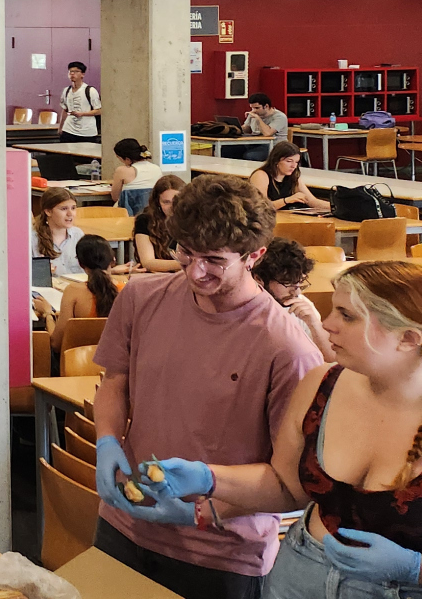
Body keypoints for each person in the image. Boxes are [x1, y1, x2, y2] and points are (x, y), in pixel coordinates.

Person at [132, 262, 422, 599]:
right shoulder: (322, 385)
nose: (327, 323)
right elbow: (286, 487)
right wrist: (209, 478)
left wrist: (414, 568)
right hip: (300, 573)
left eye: (347, 316)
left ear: (408, 339)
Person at [93, 174, 322, 599]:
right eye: (185, 252)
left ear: (255, 255)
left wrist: (203, 510)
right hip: (123, 524)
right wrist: (107, 439)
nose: (196, 272)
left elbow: (292, 484)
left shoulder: (286, 348)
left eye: (215, 260)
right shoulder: (140, 299)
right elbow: (115, 382)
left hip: (220, 555)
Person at [253, 240, 335, 363]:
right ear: (258, 279)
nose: (296, 292)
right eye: (288, 283)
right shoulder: (242, 311)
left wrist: (314, 324)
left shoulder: (302, 305)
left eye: (299, 282)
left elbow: (330, 358)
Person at [35, 234, 120, 330]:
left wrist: (47, 314)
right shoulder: (125, 289)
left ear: (80, 264)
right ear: (113, 260)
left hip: (83, 340)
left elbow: (57, 339)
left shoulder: (73, 291)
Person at [127, 174, 187, 274]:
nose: (172, 207)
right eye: (166, 202)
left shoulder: (192, 220)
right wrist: (184, 264)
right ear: (158, 202)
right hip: (156, 276)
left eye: (176, 201)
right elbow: (148, 262)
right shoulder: (145, 220)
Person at [253, 141, 331, 214]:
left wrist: (335, 207)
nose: (293, 166)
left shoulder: (293, 176)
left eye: (296, 162)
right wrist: (286, 200)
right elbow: (261, 207)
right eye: (289, 161)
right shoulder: (261, 175)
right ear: (276, 160)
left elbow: (312, 201)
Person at [36, 186, 86, 277]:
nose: (70, 214)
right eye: (64, 209)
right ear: (48, 211)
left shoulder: (78, 234)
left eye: (73, 208)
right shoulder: (32, 239)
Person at [111, 138, 165, 215]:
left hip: (129, 215)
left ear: (127, 159)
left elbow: (115, 197)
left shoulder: (122, 171)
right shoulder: (157, 168)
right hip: (154, 214)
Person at [59, 61, 102, 143]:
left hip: (87, 131)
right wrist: (61, 127)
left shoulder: (90, 90)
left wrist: (82, 114)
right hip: (68, 129)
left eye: (76, 71)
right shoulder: (66, 90)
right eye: (70, 71)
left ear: (82, 74)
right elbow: (65, 110)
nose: (72, 74)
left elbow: (99, 110)